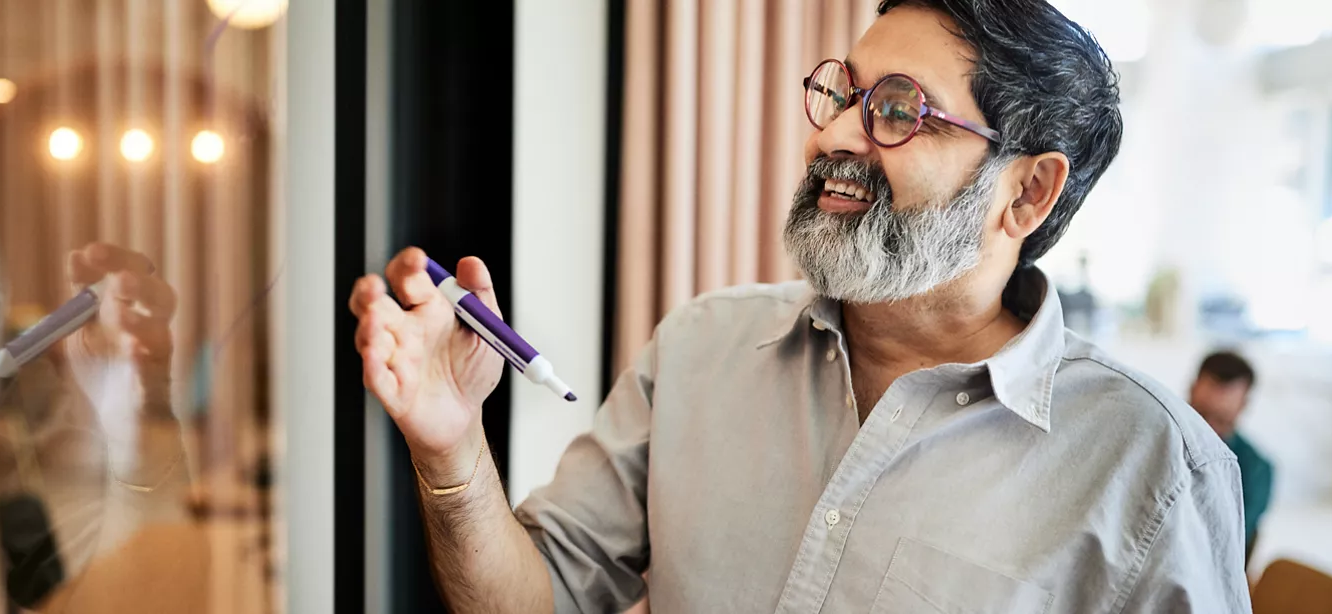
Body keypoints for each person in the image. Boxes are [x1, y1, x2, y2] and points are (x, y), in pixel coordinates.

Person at [350, 0, 1250, 611]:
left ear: (1026, 195)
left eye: (900, 109)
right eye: (843, 92)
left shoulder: (1153, 467)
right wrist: (451, 444)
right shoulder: (702, 345)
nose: (833, 133)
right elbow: (533, 598)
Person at [1189, 350, 1273, 556]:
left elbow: (1231, 539)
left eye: (1220, 419)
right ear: (1192, 389)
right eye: (1204, 416)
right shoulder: (1161, 440)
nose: (1210, 429)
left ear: (1244, 404)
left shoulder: (1256, 469)